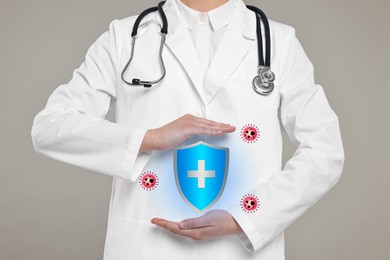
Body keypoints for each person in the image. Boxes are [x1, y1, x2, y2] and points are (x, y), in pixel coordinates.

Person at [31, 0, 344, 259]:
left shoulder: (278, 42)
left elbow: (325, 151)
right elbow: (50, 126)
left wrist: (247, 217)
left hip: (238, 248)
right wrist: (148, 139)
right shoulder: (125, 37)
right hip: (146, 246)